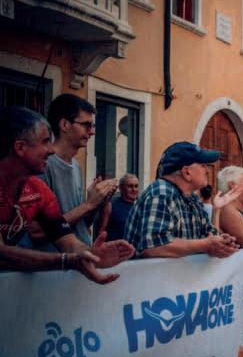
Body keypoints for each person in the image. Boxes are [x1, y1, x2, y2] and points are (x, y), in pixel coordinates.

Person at [123, 141, 240, 357]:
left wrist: (221, 241)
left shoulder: (189, 198)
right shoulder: (160, 193)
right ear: (186, 171)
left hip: (183, 297)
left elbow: (207, 235)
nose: (208, 170)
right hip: (154, 302)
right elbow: (153, 246)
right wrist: (207, 245)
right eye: (202, 165)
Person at [0, 106, 133, 282]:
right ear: (20, 147)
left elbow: (67, 240)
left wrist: (92, 254)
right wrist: (67, 261)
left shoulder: (38, 189)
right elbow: (3, 252)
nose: (51, 150)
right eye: (45, 142)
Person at [42, 94, 117, 247]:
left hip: (79, 256)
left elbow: (80, 224)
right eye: (86, 125)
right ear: (64, 125)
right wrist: (88, 204)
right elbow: (39, 231)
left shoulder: (75, 166)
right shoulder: (44, 164)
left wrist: (97, 203)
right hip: (57, 259)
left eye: (93, 126)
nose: (92, 132)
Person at [98, 173, 139, 242]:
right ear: (121, 188)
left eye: (136, 186)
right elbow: (101, 231)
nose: (134, 189)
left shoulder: (139, 206)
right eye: (130, 186)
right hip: (114, 247)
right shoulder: (110, 205)